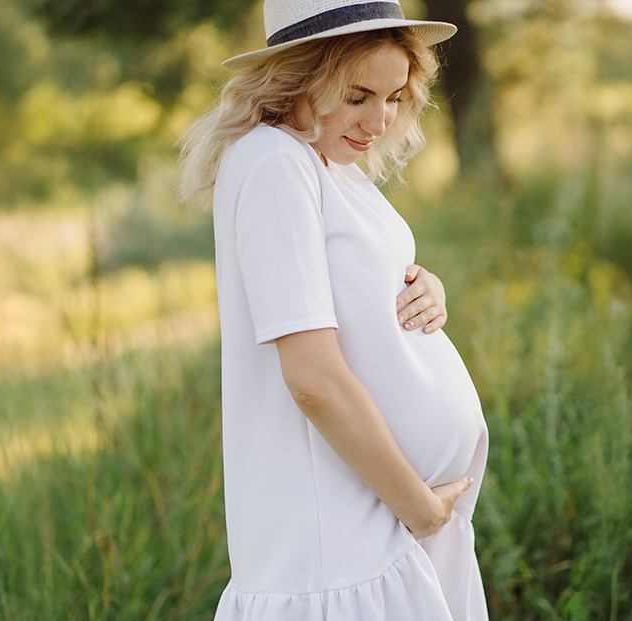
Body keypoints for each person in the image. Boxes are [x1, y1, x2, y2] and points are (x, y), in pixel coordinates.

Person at [177, 1, 489, 618]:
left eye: (394, 97)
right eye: (357, 96)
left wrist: (422, 285)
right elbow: (313, 379)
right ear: (296, 77)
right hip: (338, 552)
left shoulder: (327, 162)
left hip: (379, 531)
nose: (380, 120)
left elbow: (344, 291)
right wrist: (420, 508)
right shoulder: (274, 162)